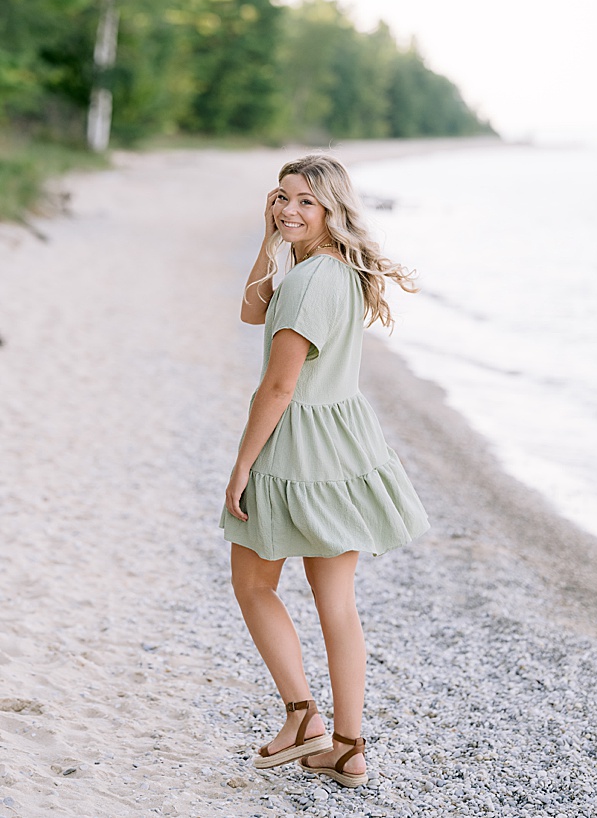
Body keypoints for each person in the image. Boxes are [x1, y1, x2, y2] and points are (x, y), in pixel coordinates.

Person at [221, 153, 430, 787]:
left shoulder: (311, 281)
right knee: (337, 601)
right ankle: (348, 746)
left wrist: (241, 468)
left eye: (305, 202)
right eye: (281, 197)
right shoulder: (336, 271)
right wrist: (269, 239)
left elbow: (279, 388)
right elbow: (251, 312)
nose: (288, 209)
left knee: (255, 586)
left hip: (296, 450)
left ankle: (302, 715)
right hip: (343, 447)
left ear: (332, 210)